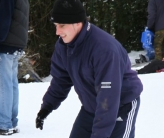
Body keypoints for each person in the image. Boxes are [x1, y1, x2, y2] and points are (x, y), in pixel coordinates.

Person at [35, 0, 143, 138]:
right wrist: (47, 106)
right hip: (92, 105)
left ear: (78, 23)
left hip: (120, 106)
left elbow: (108, 97)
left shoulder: (103, 49)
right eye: (56, 26)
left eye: (62, 25)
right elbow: (61, 79)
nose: (57, 32)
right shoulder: (63, 46)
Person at [0, 0, 29, 135]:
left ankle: (4, 123)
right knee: (11, 84)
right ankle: (11, 121)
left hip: (5, 43)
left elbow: (4, 17)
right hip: (15, 43)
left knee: (4, 85)